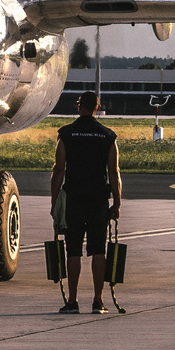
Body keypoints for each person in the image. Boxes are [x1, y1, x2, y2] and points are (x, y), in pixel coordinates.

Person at [50, 90, 122, 314]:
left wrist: (55, 203)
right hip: (98, 200)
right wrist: (117, 202)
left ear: (78, 106)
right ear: (97, 107)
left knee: (72, 250)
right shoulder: (108, 136)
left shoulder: (66, 134)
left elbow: (59, 169)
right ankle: (98, 301)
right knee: (98, 250)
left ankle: (72, 301)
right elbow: (114, 172)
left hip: (73, 200)